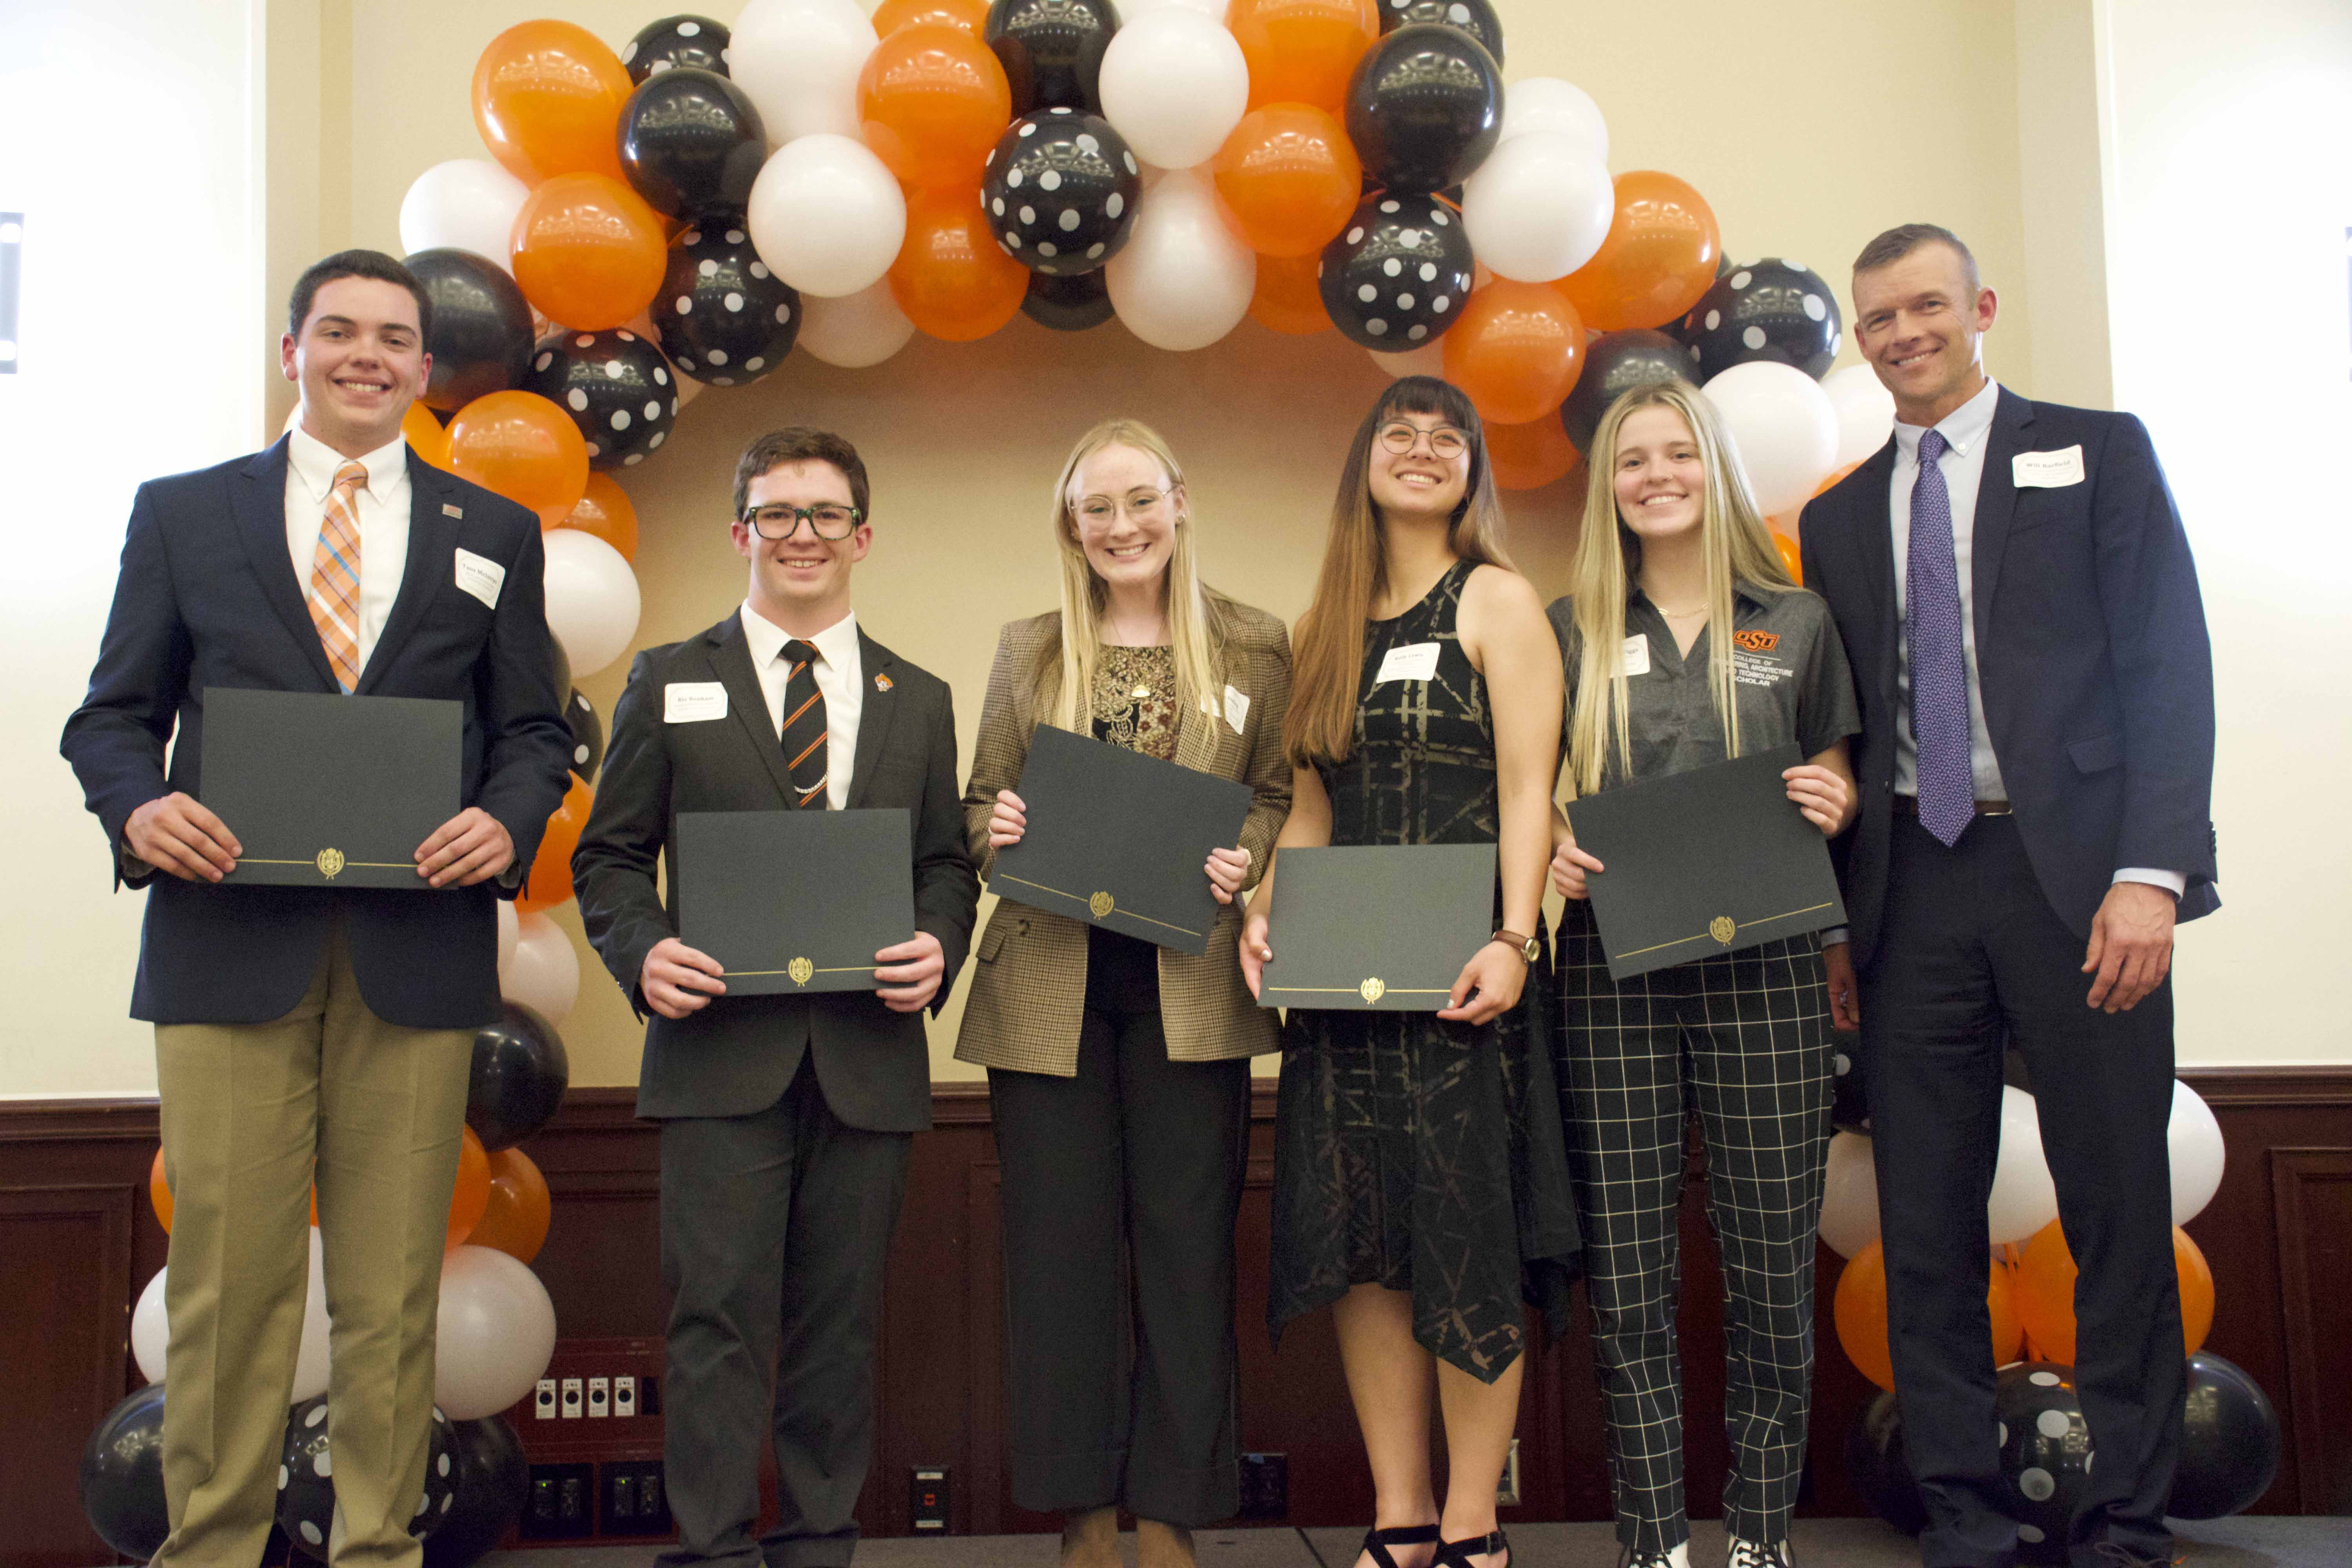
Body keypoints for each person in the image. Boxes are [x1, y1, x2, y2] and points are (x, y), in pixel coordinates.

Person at [59, 250, 572, 1568]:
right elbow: (111, 718)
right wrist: (137, 809)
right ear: (294, 349)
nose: (367, 355)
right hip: (228, 946)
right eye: (338, 331)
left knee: (392, 1291)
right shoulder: (184, 515)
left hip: (419, 952)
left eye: (394, 338)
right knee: (232, 1290)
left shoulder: (492, 534)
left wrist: (508, 820)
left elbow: (532, 732)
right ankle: (213, 1549)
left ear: (421, 366)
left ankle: (376, 1552)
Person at [1799, 224, 2217, 1568]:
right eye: (1878, 318)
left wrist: (2152, 875)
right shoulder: (1835, 515)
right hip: (1911, 888)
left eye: (1927, 305)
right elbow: (1842, 737)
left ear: (1979, 307)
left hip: (2081, 882)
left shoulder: (2099, 452)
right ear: (1860, 341)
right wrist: (1834, 924)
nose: (1904, 332)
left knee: (2114, 1209)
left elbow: (2167, 665)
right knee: (1925, 1213)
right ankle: (1964, 1515)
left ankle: (2128, 1520)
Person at [570, 428, 980, 1568]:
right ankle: (709, 1552)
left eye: (827, 514)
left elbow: (947, 864)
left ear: (864, 535)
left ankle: (818, 1547)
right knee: (713, 1327)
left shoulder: (919, 697)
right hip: (716, 1054)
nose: (804, 535)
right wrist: (643, 954)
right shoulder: (669, 676)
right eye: (779, 513)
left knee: (838, 1334)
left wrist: (939, 943)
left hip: (868, 1056)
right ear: (741, 531)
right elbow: (606, 859)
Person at [1244, 377, 1580, 1568]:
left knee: (1464, 1239)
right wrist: (1269, 920)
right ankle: (1398, 1517)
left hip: (1462, 988)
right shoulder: (1322, 626)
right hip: (1344, 994)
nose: (1425, 450)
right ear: (1365, 463)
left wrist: (1515, 938)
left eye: (1450, 439)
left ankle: (1474, 1525)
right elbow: (1308, 809)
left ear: (1474, 471)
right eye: (1402, 433)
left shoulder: (1496, 599)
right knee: (1364, 1247)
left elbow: (1531, 789)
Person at [956, 419, 1294, 1568]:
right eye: (1094, 509)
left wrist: (1247, 853)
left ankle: (1172, 1516)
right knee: (1059, 1258)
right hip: (1047, 987)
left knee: (1188, 1251)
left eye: (1138, 501)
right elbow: (982, 803)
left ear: (1180, 502)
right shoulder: (1032, 648)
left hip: (1188, 983)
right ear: (1072, 526)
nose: (1119, 527)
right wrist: (992, 827)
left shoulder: (1254, 644)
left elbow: (1278, 795)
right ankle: (1084, 1516)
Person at [1545, 381, 1861, 1568]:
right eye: (1636, 460)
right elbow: (1532, 797)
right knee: (1629, 1270)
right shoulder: (1569, 624)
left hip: (1772, 972)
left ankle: (1761, 1538)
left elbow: (1833, 775)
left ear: (1714, 469)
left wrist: (1830, 798)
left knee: (1770, 1261)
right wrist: (1555, 863)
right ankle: (1652, 1541)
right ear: (1609, 486)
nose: (1659, 475)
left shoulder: (1797, 619)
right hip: (1613, 973)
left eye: (1681, 453)